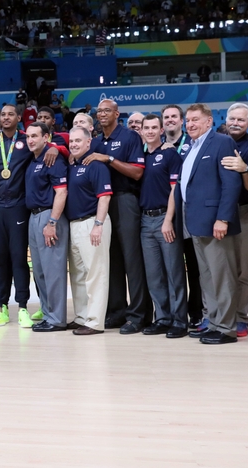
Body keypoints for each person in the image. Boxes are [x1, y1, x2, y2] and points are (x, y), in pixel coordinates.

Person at [0, 104, 58, 328]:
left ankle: (22, 306)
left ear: (19, 118)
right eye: (3, 114)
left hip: (18, 207)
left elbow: (52, 144)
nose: (5, 118)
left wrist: (56, 148)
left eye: (10, 114)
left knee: (19, 258)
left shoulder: (27, 140)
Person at [172, 104, 242, 345]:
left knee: (222, 277)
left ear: (209, 121)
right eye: (187, 120)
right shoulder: (191, 147)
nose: (190, 124)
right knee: (207, 278)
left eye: (195, 120)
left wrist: (223, 218)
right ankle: (213, 323)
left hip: (215, 223)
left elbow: (231, 183)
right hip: (196, 224)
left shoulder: (222, 142)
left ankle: (226, 328)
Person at [88, 98, 150, 333]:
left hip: (125, 200)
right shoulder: (95, 141)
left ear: (117, 113)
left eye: (107, 110)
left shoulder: (129, 137)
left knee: (132, 261)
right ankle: (116, 312)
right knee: (110, 259)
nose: (102, 114)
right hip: (102, 204)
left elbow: (136, 173)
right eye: (99, 110)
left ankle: (137, 315)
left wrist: (109, 159)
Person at [139, 115, 187, 338]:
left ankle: (179, 321)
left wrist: (168, 220)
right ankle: (162, 318)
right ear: (140, 131)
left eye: (153, 127)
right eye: (145, 128)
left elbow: (174, 190)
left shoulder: (170, 155)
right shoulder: (138, 157)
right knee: (154, 274)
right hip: (144, 221)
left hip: (164, 219)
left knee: (173, 271)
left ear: (161, 130)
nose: (149, 131)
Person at [220, 103, 248, 337]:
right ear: (225, 119)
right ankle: (219, 316)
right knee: (220, 269)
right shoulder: (217, 142)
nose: (235, 123)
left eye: (241, 120)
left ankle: (241, 318)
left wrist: (244, 169)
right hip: (217, 214)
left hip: (242, 212)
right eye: (232, 119)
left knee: (242, 271)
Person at [65, 127, 113, 335]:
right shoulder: (73, 165)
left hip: (92, 222)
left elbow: (105, 196)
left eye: (78, 141)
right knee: (78, 275)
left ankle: (95, 322)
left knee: (96, 273)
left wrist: (98, 225)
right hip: (74, 224)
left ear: (88, 143)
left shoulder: (96, 166)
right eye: (71, 141)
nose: (74, 144)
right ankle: (82, 316)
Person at [24, 122, 69, 332]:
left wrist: (52, 222)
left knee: (53, 272)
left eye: (35, 136)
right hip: (34, 217)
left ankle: (57, 319)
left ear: (46, 137)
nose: (31, 140)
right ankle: (48, 313)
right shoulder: (33, 160)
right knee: (40, 272)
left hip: (49, 216)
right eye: (28, 136)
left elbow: (61, 192)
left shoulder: (53, 159)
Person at [161, 104, 202, 329]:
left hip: (188, 213)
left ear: (182, 120)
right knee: (172, 267)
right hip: (165, 215)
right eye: (166, 117)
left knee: (194, 265)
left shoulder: (192, 143)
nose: (170, 120)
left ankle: (196, 311)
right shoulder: (156, 147)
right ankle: (173, 314)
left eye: (174, 116)